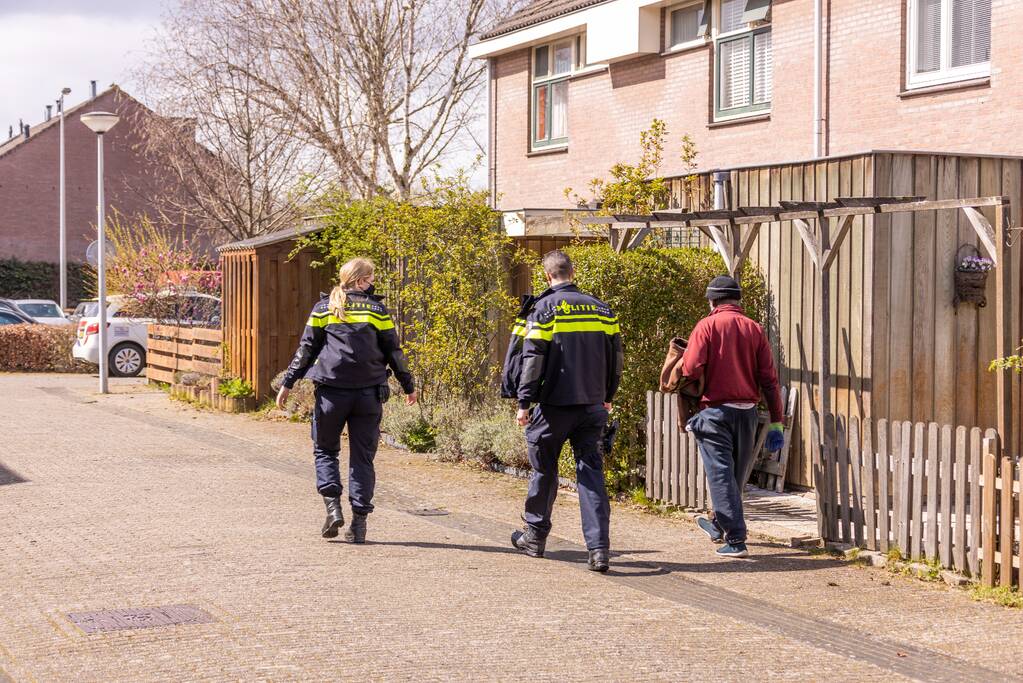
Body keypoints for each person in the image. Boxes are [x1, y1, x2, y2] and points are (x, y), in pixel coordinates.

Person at [276, 257, 417, 543]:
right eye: (371, 278)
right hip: (368, 394)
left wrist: (287, 383)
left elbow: (306, 350)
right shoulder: (377, 310)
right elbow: (394, 351)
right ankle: (359, 524)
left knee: (326, 451)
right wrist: (408, 385)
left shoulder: (323, 308)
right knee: (363, 458)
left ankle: (333, 509)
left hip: (331, 392)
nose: (373, 282)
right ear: (361, 281)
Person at [501, 250, 624, 572]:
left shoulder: (543, 308)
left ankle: (535, 536)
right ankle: (599, 550)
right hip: (593, 406)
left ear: (547, 276)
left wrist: (524, 402)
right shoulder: (601, 308)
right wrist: (607, 395)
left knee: (544, 471)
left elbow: (533, 358)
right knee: (591, 476)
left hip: (555, 407)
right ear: (573, 272)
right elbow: (616, 356)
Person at [681, 275, 784, 559]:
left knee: (720, 475)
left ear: (712, 301)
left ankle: (736, 539)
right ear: (737, 300)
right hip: (747, 413)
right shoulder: (754, 328)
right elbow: (769, 378)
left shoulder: (706, 326)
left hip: (715, 412)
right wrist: (777, 420)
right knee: (736, 476)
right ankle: (717, 524)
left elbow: (690, 369)